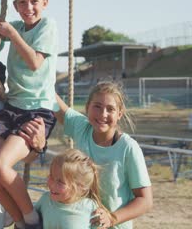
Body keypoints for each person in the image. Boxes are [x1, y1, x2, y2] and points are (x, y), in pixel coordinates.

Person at [0, 0, 58, 229]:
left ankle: (32, 219)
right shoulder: (17, 25)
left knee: (2, 166)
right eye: (22, 3)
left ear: (45, 2)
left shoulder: (47, 26)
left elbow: (35, 63)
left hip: (36, 111)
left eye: (34, 1)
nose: (29, 8)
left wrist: (13, 34)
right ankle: (20, 221)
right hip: (13, 108)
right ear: (15, 5)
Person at [54, 81, 153, 229]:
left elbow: (145, 200)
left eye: (110, 109)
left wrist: (112, 218)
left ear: (119, 114)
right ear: (88, 108)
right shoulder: (82, 128)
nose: (103, 114)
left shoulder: (128, 148)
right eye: (97, 107)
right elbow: (52, 101)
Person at [35, 148, 113, 228]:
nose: (52, 184)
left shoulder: (90, 208)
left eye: (60, 182)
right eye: (51, 176)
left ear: (81, 188)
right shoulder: (45, 200)